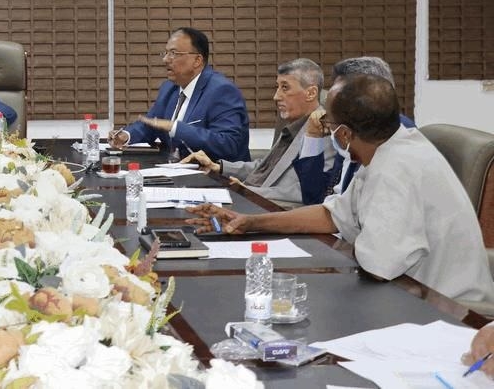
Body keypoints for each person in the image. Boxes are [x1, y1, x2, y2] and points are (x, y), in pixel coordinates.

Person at [187, 75, 494, 304]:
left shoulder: (395, 168)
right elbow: (332, 215)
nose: (327, 130)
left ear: (345, 134)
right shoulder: (390, 148)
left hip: (445, 309)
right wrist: (249, 222)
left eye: (329, 124)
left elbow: (378, 266)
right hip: (409, 291)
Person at [186, 58, 333, 207]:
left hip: (275, 209)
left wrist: (246, 191)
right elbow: (266, 168)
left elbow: (310, 191)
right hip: (250, 200)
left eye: (285, 88)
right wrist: (219, 167)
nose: (276, 96)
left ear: (311, 93)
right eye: (277, 87)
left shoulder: (324, 130)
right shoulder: (293, 124)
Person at [108, 27, 250, 162]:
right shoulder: (169, 88)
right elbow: (151, 124)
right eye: (166, 53)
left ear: (197, 60)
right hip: (175, 170)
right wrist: (126, 135)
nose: (165, 59)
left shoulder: (222, 90)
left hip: (215, 175)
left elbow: (228, 144)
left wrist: (175, 128)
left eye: (173, 53)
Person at [293, 56, 415, 201]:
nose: (334, 106)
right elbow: (315, 196)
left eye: (342, 97)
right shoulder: (353, 128)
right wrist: (313, 136)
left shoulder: (390, 135)